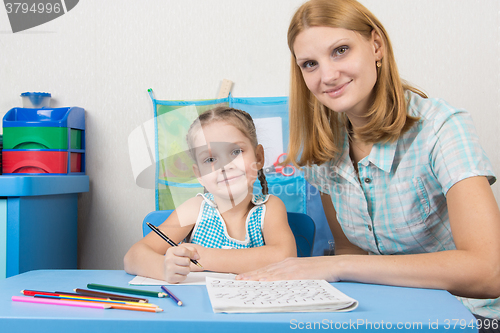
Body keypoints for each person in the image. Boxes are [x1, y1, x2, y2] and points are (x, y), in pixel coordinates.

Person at [236, 0, 500, 328]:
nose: (328, 76)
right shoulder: (323, 151)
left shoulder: (442, 128)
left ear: (376, 45)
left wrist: (336, 266)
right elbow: (353, 253)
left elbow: (488, 272)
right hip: (392, 313)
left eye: (341, 50)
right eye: (309, 64)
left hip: (472, 317)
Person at [124, 106, 296, 284]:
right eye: (210, 159)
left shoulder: (270, 208)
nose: (225, 166)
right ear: (199, 174)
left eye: (236, 151)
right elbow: (133, 257)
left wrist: (203, 258)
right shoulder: (194, 210)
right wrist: (164, 267)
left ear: (258, 157)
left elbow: (284, 256)